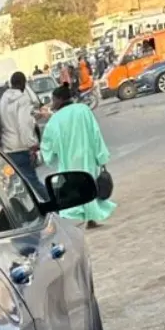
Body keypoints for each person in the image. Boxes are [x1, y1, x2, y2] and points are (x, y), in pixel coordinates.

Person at [38, 83, 114, 229]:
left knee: (73, 191)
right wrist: (101, 157)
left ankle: (76, 223)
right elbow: (95, 134)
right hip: (88, 158)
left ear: (60, 99)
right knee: (90, 187)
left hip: (68, 161)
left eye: (54, 100)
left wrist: (50, 157)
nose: (52, 103)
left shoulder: (56, 119)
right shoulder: (83, 110)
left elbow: (47, 143)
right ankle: (92, 219)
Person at [0, 71, 41, 186]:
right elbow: (24, 125)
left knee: (16, 185)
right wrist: (32, 144)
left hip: (7, 149)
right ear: (23, 83)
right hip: (20, 149)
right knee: (33, 184)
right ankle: (49, 203)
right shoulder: (22, 99)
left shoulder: (3, 99)